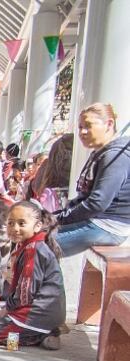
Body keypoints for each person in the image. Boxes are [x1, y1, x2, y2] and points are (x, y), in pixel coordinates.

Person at [0, 201, 65, 349]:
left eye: (22, 223)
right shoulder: (29, 246)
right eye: (11, 223)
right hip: (41, 312)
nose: (15, 228)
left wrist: (8, 308)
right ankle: (43, 333)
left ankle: (40, 336)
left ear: (37, 226)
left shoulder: (33, 250)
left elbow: (26, 291)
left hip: (39, 313)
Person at [54, 103, 130, 256]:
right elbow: (85, 197)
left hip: (107, 225)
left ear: (109, 124)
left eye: (88, 126)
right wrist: (53, 216)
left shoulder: (116, 155)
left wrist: (60, 219)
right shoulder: (100, 153)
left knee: (37, 246)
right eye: (80, 127)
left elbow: (97, 202)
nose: (82, 132)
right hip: (96, 221)